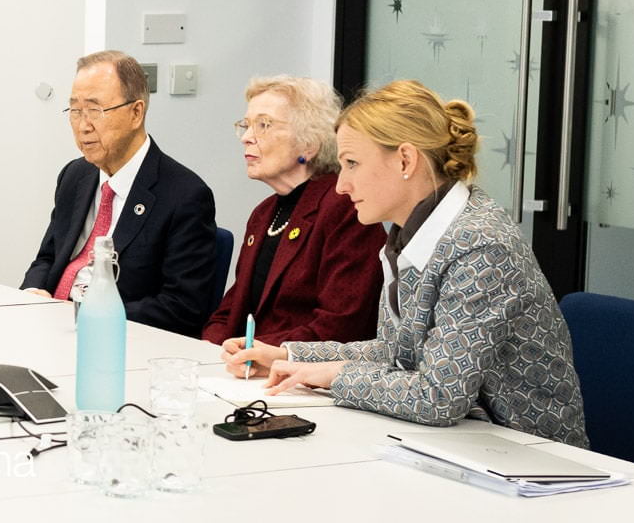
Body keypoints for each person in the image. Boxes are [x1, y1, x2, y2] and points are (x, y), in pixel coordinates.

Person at [221, 80, 589, 448]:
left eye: (351, 164)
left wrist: (335, 375)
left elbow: (438, 397)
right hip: (463, 443)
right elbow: (399, 350)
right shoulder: (410, 234)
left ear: (405, 160)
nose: (340, 185)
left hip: (527, 455)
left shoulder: (479, 245)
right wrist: (289, 355)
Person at [22, 50, 216, 337]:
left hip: (117, 339)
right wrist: (32, 292)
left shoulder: (185, 195)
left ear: (136, 112)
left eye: (95, 110)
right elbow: (48, 257)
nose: (83, 125)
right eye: (75, 110)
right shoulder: (75, 175)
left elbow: (181, 308)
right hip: (52, 328)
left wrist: (87, 315)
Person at [203, 76, 386, 347]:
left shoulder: (346, 208)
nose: (246, 138)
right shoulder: (263, 214)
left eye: (263, 125)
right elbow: (231, 311)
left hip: (300, 375)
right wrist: (209, 349)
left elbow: (341, 326)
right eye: (246, 125)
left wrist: (259, 352)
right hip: (247, 369)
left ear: (308, 144)